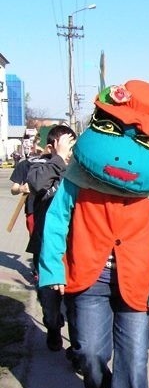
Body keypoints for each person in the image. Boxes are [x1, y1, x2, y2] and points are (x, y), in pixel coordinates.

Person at [38, 80, 149, 388]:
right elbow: (55, 223)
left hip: (136, 279)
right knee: (89, 350)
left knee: (134, 355)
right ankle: (96, 386)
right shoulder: (78, 178)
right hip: (90, 274)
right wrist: (52, 269)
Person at [26, 125, 78, 364]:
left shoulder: (78, 169)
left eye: (73, 146)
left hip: (73, 247)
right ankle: (54, 326)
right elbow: (37, 184)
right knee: (49, 300)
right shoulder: (39, 166)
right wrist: (58, 158)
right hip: (45, 246)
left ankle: (79, 346)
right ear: (52, 147)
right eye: (67, 146)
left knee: (78, 301)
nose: (70, 151)